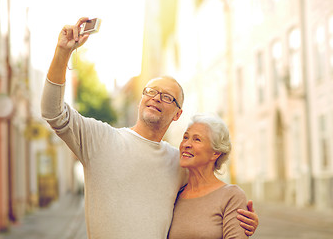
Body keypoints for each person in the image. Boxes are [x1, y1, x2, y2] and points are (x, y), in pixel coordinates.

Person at [41, 17, 258, 239]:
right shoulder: (99, 139)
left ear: (177, 114)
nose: (155, 98)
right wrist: (62, 53)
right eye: (150, 92)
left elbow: (205, 198)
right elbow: (53, 112)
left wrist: (239, 220)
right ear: (141, 99)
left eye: (166, 97)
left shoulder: (179, 162)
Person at [168, 114, 249, 239]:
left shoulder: (231, 196)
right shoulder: (174, 195)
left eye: (197, 139)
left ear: (215, 153)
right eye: (185, 137)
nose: (186, 144)